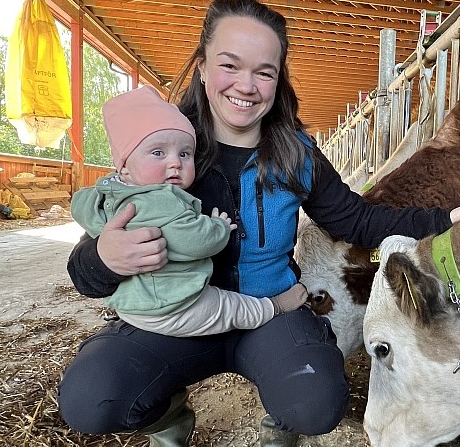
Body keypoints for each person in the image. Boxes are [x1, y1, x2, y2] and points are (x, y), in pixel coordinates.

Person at [58, 0, 460, 447]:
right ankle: (168, 424)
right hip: (178, 314)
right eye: (230, 65)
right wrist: (103, 258)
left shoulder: (295, 152)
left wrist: (444, 221)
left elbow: (357, 220)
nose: (247, 86)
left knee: (315, 403)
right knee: (92, 397)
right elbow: (87, 265)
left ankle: (282, 409)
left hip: (273, 311)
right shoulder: (165, 147)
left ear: (278, 80)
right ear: (203, 67)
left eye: (265, 72)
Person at [70, 86, 308, 337]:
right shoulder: (163, 200)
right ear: (125, 167)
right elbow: (196, 241)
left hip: (131, 305)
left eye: (185, 154)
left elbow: (81, 206)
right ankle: (274, 307)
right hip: (174, 305)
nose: (175, 162)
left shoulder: (110, 192)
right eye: (158, 153)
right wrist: (219, 228)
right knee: (229, 307)